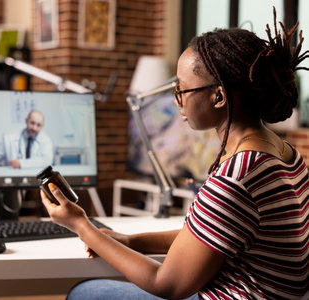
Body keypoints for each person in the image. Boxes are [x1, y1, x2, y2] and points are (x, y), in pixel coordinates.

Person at [40, 9, 309, 300]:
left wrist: (80, 224)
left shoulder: (237, 176)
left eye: (181, 88)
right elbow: (205, 237)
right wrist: (132, 241)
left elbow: (166, 284)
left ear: (218, 96)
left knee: (86, 294)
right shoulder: (283, 152)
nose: (176, 98)